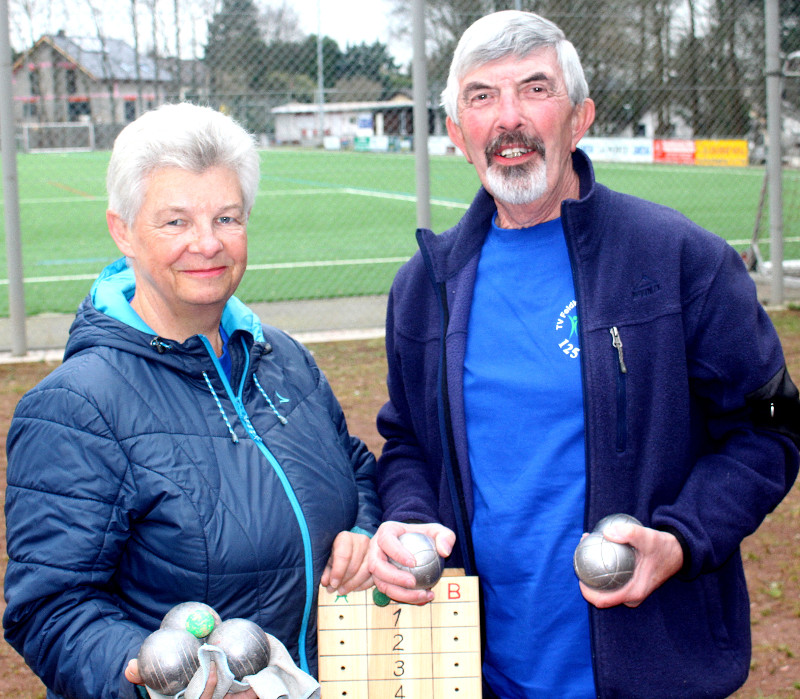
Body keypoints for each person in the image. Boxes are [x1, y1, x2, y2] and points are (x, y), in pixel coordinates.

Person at [367, 10, 800, 699]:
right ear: (457, 134)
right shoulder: (427, 286)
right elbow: (408, 439)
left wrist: (683, 537)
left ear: (580, 117)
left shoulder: (683, 259)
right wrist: (412, 514)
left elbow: (775, 420)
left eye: (535, 89)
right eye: (482, 97)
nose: (508, 119)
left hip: (654, 673)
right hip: (481, 675)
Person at [3, 102, 381, 699]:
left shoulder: (283, 359)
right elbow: (50, 609)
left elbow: (356, 469)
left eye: (227, 218)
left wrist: (361, 529)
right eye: (175, 222)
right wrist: (166, 680)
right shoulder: (76, 408)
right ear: (122, 230)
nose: (207, 243)